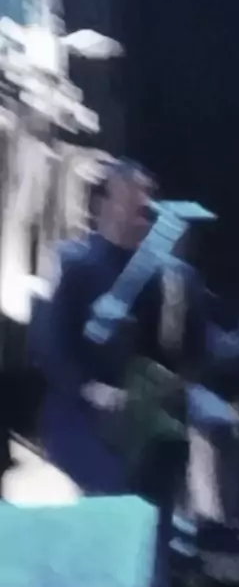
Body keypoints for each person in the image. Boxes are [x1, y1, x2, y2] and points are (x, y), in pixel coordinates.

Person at [36, 159, 161, 495]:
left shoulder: (155, 275)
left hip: (135, 417)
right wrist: (89, 388)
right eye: (133, 193)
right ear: (105, 203)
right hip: (79, 416)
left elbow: (160, 349)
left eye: (148, 194)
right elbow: (49, 345)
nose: (144, 203)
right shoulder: (72, 261)